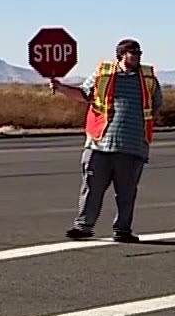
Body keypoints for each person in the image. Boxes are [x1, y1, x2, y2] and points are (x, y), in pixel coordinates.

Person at [50, 38, 162, 242]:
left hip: (133, 145)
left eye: (139, 53)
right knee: (92, 188)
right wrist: (60, 87)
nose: (137, 56)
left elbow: (156, 105)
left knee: (126, 193)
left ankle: (122, 230)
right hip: (100, 142)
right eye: (132, 52)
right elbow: (83, 94)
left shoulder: (148, 79)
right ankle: (83, 226)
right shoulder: (103, 75)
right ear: (121, 54)